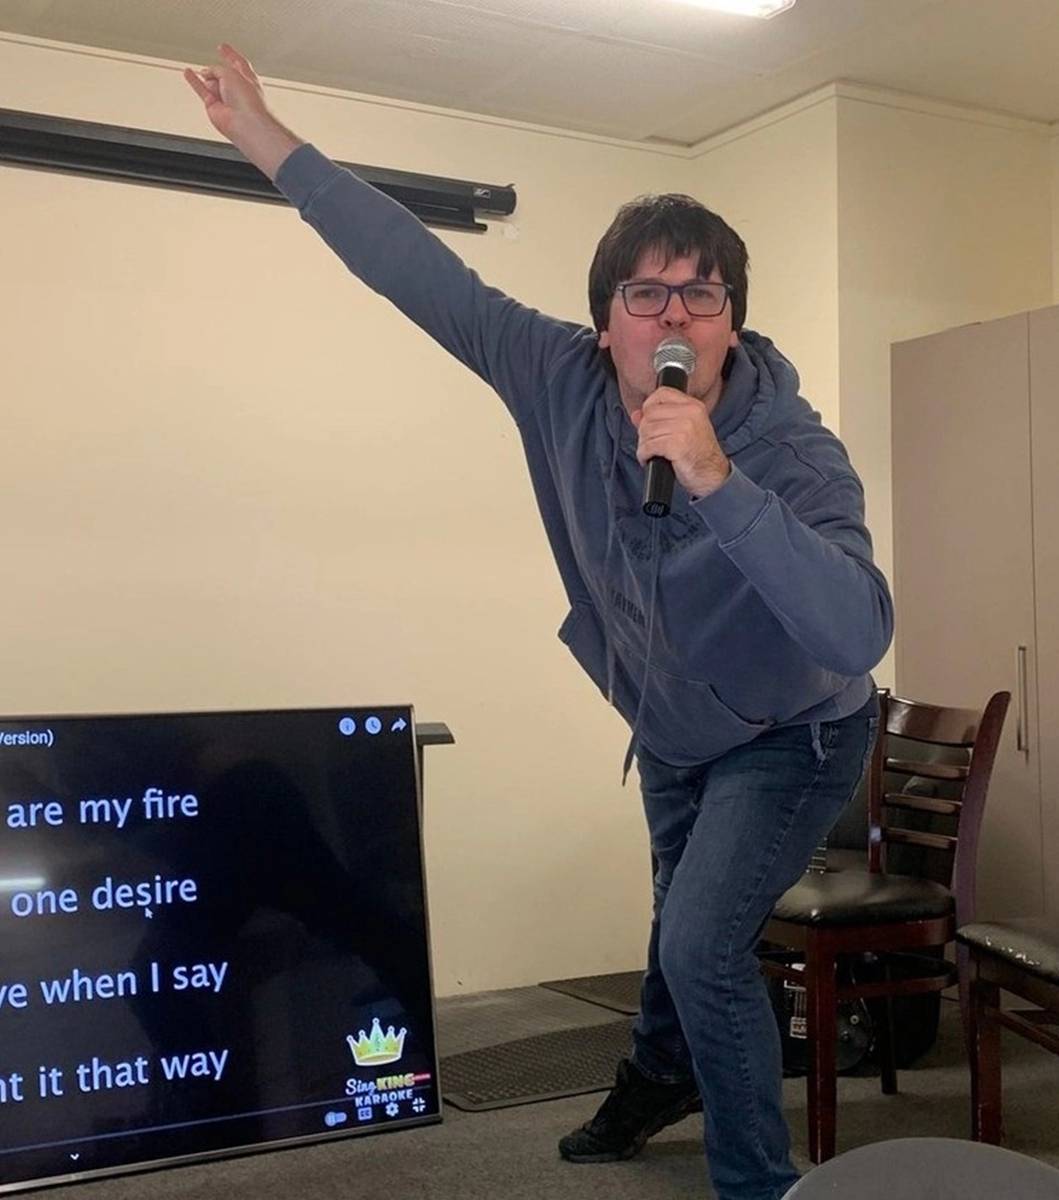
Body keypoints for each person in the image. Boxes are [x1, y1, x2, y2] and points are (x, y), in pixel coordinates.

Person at [184, 45, 892, 1200]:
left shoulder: (794, 451)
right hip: (668, 724)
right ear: (605, 320)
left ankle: (760, 1186)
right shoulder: (551, 375)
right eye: (646, 294)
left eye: (701, 296)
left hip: (795, 734)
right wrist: (269, 141)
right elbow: (416, 270)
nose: (675, 315)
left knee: (703, 946)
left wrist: (721, 483)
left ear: (731, 323)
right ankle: (661, 1075)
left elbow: (857, 631)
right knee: (677, 919)